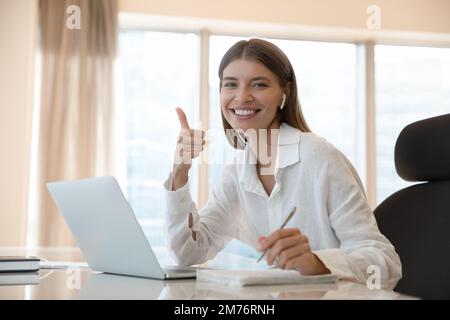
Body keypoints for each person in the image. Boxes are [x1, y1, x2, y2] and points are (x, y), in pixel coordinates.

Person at [163, 38, 402, 289]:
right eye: (230, 84)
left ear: (284, 94)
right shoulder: (236, 173)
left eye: (259, 84)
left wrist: (318, 263)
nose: (242, 96)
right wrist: (180, 172)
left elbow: (384, 262)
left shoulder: (320, 158)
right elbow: (188, 253)